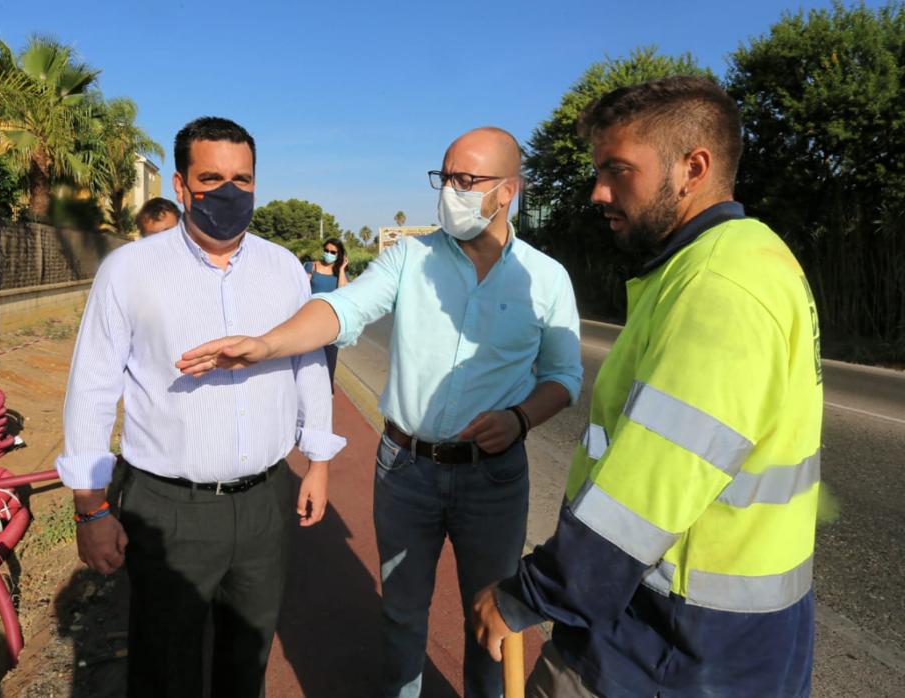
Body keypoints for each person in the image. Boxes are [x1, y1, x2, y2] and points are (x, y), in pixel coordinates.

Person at [177, 127, 583, 698]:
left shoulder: (546, 278)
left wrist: (519, 419)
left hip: (493, 480)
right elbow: (343, 309)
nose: (451, 192)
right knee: (401, 617)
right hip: (406, 472)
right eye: (446, 178)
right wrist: (268, 343)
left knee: (492, 622)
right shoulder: (408, 259)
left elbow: (564, 378)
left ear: (508, 189)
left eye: (468, 181)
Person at [471, 76, 824, 698]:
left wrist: (531, 594)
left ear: (694, 167)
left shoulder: (718, 284)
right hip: (718, 643)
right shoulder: (738, 258)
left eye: (617, 170)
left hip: (669, 650)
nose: (597, 192)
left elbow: (648, 488)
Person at [56, 116, 345, 698]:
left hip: (264, 501)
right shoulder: (130, 271)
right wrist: (90, 509)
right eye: (211, 177)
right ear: (182, 185)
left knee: (248, 656)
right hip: (169, 510)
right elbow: (92, 385)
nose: (229, 192)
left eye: (242, 178)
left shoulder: (283, 268)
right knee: (166, 666)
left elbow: (306, 361)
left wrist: (317, 459)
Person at [304, 237, 349, 390]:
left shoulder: (339, 273)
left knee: (329, 361)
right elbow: (301, 290)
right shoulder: (311, 266)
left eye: (333, 252)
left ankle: (328, 392)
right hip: (309, 320)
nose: (328, 254)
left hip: (331, 322)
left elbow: (343, 293)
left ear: (339, 255)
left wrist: (342, 269)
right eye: (327, 250)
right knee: (307, 359)